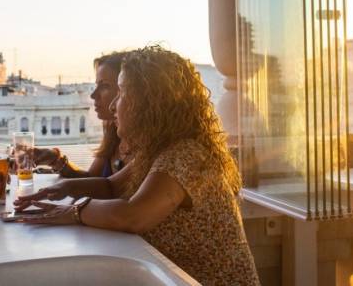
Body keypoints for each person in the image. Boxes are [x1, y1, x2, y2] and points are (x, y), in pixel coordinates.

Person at [14, 45, 259, 285]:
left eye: (121, 93)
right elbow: (111, 187)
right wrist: (65, 188)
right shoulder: (158, 149)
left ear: (150, 102)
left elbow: (133, 216)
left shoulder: (186, 153)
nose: (112, 105)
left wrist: (75, 211)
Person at [32, 51, 128, 178]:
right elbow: (91, 179)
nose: (93, 95)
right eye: (96, 86)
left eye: (104, 86)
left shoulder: (145, 147)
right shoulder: (113, 133)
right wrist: (55, 159)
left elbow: (109, 189)